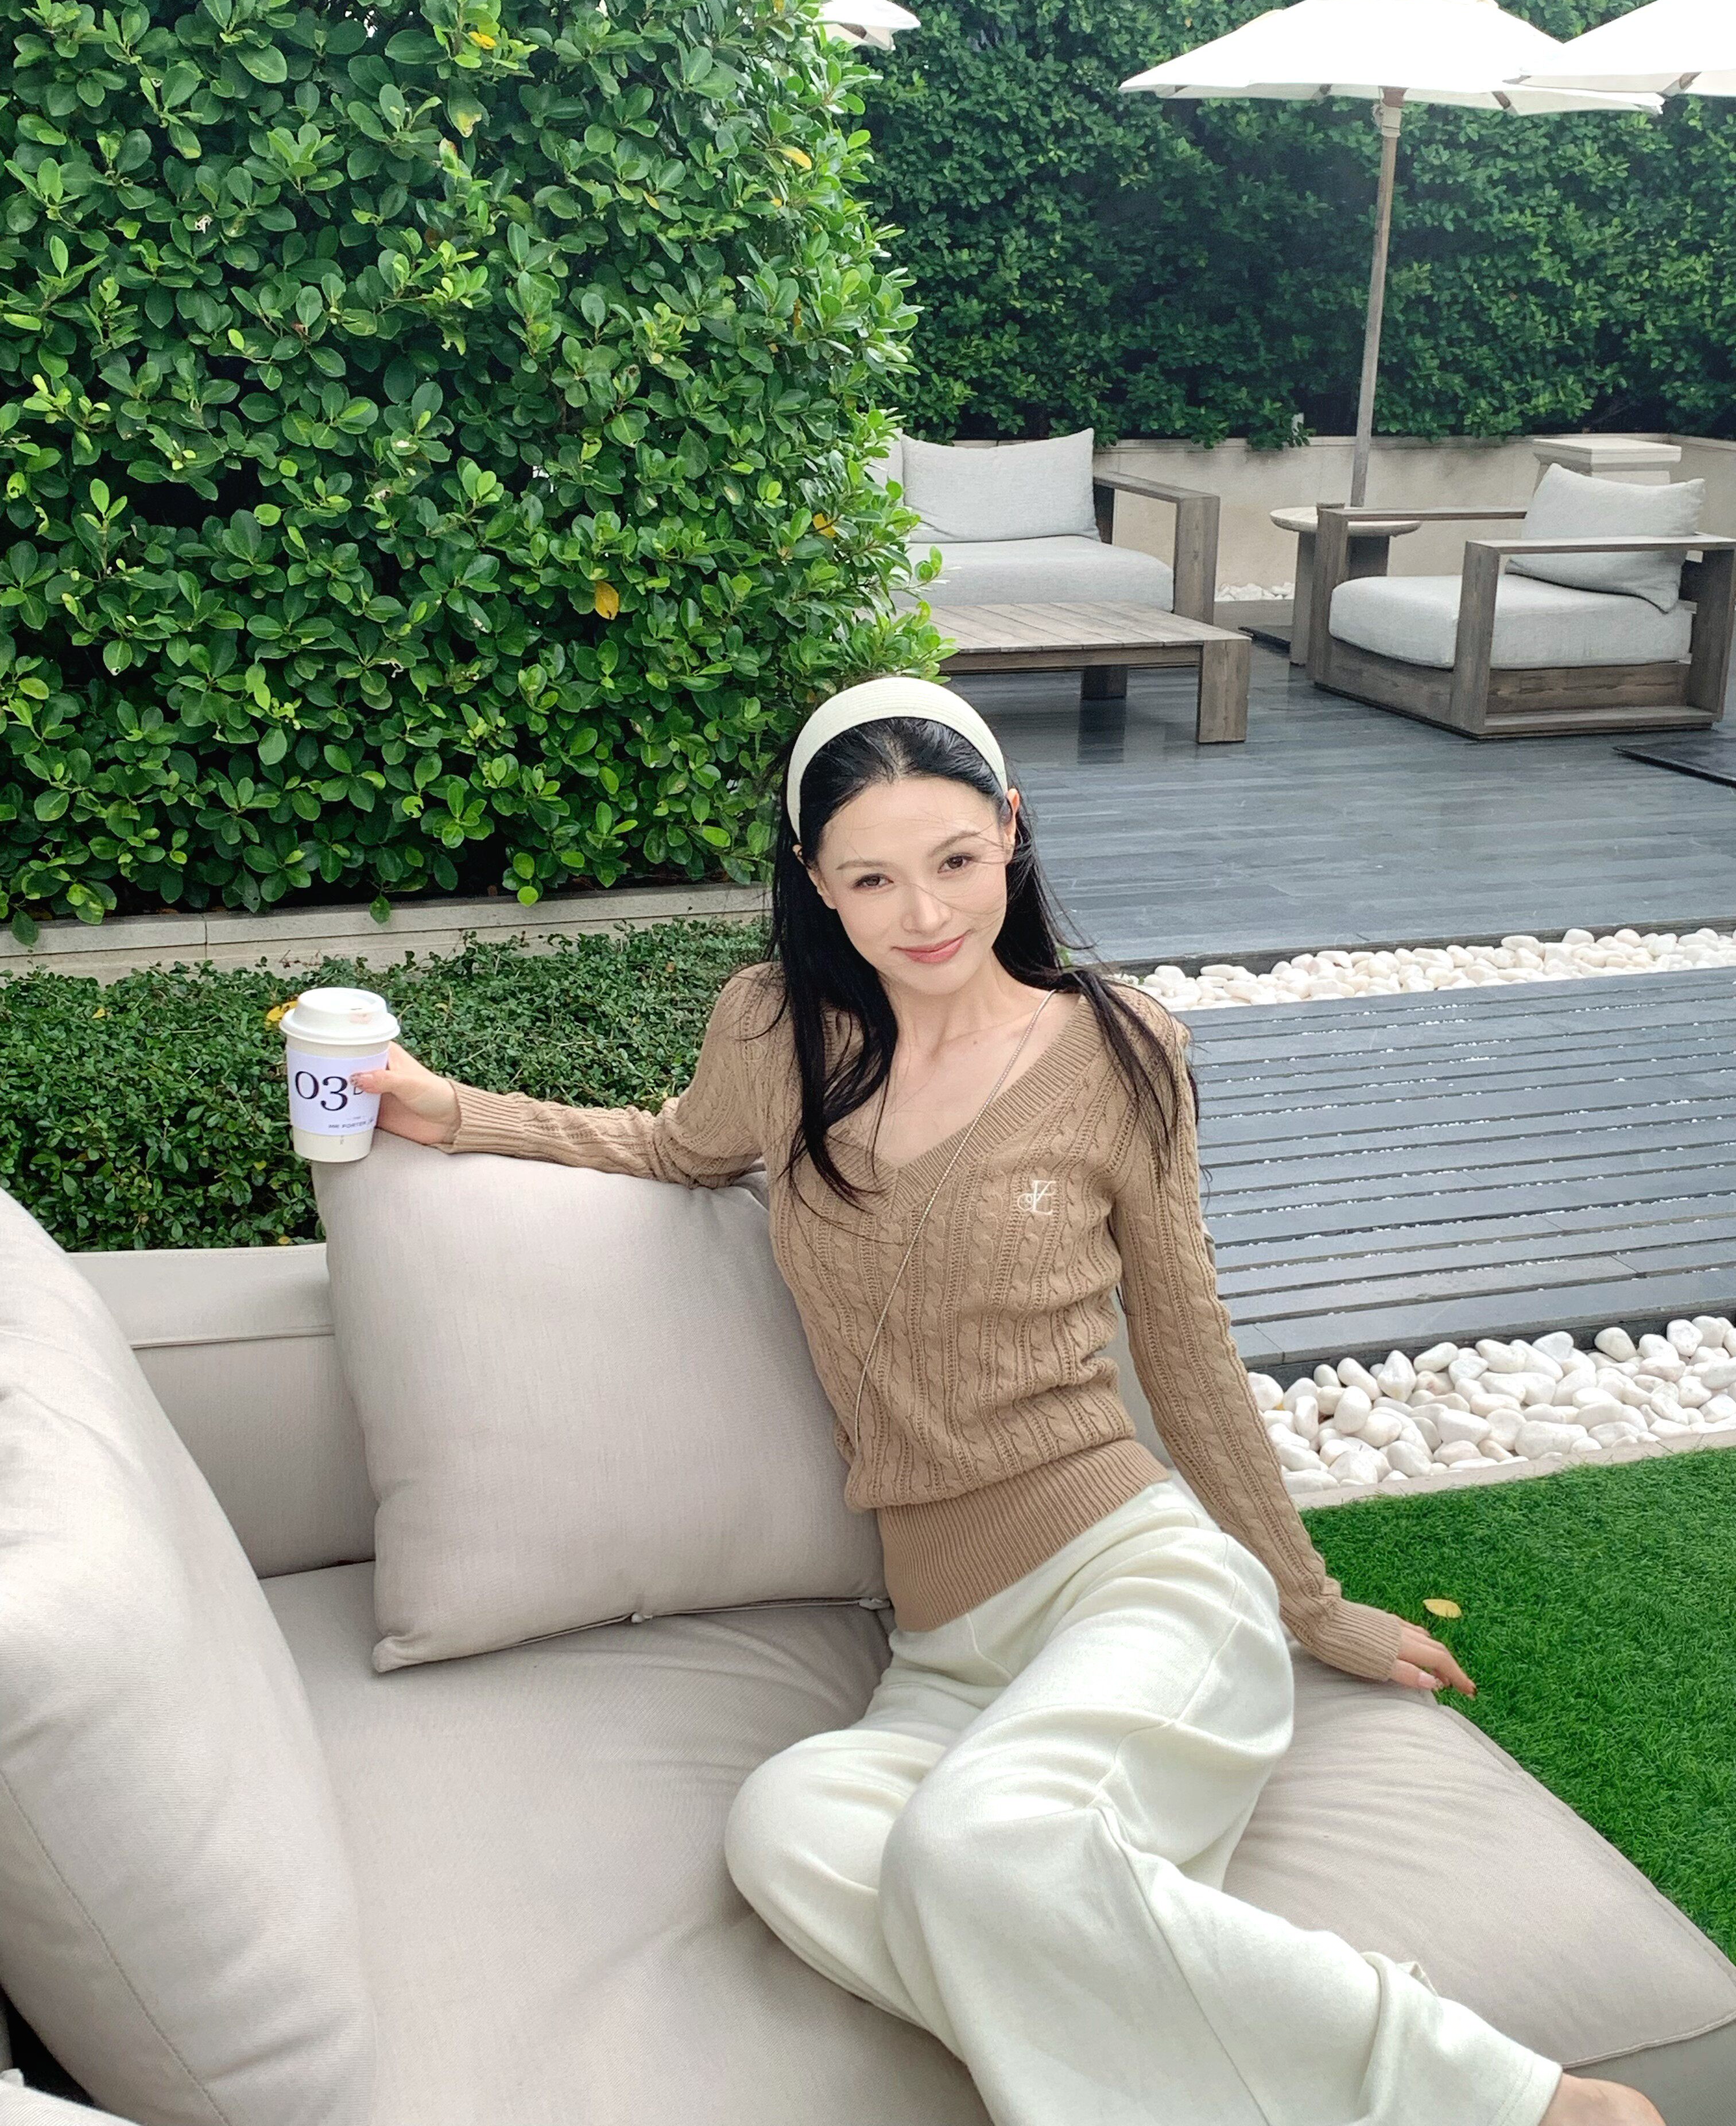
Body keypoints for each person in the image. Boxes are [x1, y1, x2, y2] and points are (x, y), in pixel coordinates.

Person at [355, 676, 1658, 2126]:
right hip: (941, 1655)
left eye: (957, 860)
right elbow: (673, 1149)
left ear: (1013, 832)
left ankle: (1528, 2106)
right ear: (815, 883)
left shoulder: (1118, 1047)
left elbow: (1185, 1339)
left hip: (1138, 1588)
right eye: (872, 878)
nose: (925, 914)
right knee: (787, 1830)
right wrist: (450, 1110)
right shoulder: (776, 1033)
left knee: (974, 1846)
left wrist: (1306, 1601)